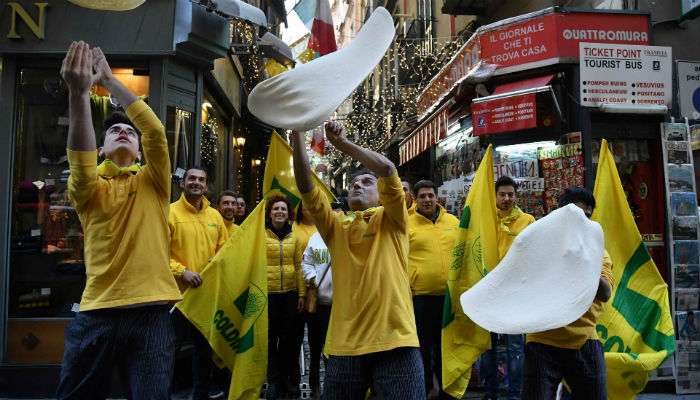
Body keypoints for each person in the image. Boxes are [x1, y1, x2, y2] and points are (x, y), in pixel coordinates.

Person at [57, 42, 182, 399]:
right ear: (101, 150)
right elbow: (79, 159)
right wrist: (80, 95)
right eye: (113, 132)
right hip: (97, 313)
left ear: (140, 152)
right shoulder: (89, 186)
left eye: (129, 131)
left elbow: (156, 132)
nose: (124, 132)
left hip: (153, 315)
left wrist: (109, 82)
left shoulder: (154, 181)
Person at [291, 122, 424, 399]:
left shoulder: (393, 219)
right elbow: (305, 185)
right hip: (345, 346)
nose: (357, 185)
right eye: (354, 183)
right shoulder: (335, 226)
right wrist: (296, 130)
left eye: (366, 182)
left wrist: (343, 144)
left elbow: (387, 170)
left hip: (396, 342)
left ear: (382, 194)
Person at [521, 186, 613, 400]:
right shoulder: (537, 246)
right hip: (542, 341)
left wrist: (584, 262)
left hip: (585, 341)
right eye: (577, 215)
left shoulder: (598, 250)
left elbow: (605, 293)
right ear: (560, 214)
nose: (583, 221)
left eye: (587, 216)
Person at [169, 166, 228, 400]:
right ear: (182, 183)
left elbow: (224, 248)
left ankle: (200, 396)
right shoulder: (169, 212)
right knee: (169, 351)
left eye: (201, 180)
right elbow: (159, 252)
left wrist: (219, 260)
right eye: (191, 178)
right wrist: (182, 272)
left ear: (207, 186)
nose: (196, 182)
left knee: (203, 353)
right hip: (176, 297)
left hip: (205, 296)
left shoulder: (215, 216)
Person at [480, 176, 535, 400]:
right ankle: (490, 393)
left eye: (510, 194)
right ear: (494, 196)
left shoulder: (528, 221)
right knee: (487, 347)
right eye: (502, 194)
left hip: (515, 294)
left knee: (515, 349)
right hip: (488, 293)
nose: (506, 198)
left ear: (516, 195)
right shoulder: (484, 220)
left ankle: (514, 395)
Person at [407, 180, 459, 399]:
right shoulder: (406, 224)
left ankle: (446, 390)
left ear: (437, 197)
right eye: (422, 196)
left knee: (446, 349)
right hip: (420, 298)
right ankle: (424, 388)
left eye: (430, 195)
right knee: (421, 348)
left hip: (449, 298)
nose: (427, 200)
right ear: (415, 199)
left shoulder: (454, 222)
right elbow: (397, 259)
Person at [300, 201, 345, 399]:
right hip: (319, 305)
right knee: (316, 344)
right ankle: (314, 383)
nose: (336, 220)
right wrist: (312, 279)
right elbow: (307, 262)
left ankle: (332, 385)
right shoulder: (315, 238)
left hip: (342, 306)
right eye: (332, 216)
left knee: (334, 348)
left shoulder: (349, 238)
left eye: (339, 216)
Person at [265, 196, 306, 400]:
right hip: (269, 295)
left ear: (288, 213)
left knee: (288, 340)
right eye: (275, 209)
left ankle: (286, 381)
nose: (279, 212)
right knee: (271, 340)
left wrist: (301, 294)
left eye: (283, 209)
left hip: (290, 295)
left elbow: (298, 266)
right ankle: (272, 382)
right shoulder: (260, 236)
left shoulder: (294, 237)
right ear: (269, 212)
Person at [290, 202, 322, 399]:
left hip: (320, 293)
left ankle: (315, 380)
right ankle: (293, 380)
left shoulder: (323, 228)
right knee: (294, 339)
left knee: (318, 340)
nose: (308, 209)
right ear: (300, 209)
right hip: (296, 290)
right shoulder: (293, 228)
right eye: (305, 206)